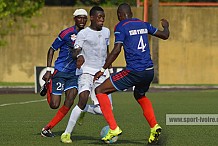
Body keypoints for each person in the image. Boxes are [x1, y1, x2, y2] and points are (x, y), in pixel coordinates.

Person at [93, 3, 170, 144]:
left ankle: (113, 128)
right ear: (131, 13)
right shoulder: (143, 24)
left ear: (120, 15)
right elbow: (165, 36)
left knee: (100, 90)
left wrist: (102, 69)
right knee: (139, 95)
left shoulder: (121, 26)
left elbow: (116, 50)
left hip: (134, 71)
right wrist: (166, 26)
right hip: (149, 71)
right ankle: (154, 127)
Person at [60, 6, 112, 143]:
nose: (102, 19)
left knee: (105, 110)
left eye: (103, 17)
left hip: (101, 73)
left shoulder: (107, 32)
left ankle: (85, 110)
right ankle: (66, 134)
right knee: (83, 98)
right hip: (86, 71)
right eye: (99, 17)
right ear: (92, 18)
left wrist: (108, 66)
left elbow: (107, 49)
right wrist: (78, 56)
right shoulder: (83, 33)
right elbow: (75, 50)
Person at [40, 9, 88, 137]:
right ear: (75, 19)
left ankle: (48, 128)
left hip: (74, 74)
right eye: (79, 18)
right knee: (54, 105)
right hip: (61, 71)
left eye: (84, 18)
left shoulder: (88, 34)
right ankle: (48, 85)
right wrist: (49, 70)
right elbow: (51, 49)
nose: (82, 20)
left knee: (70, 100)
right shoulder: (66, 33)